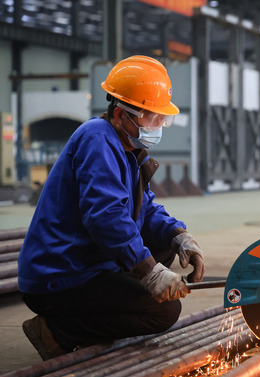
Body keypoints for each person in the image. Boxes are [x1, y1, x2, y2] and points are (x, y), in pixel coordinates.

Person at [18, 56, 205, 360]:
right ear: (121, 115)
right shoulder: (96, 141)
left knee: (164, 247)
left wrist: (178, 234)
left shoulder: (127, 148)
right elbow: (106, 218)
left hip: (87, 261)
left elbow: (144, 209)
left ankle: (99, 307)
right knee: (164, 312)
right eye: (152, 118)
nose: (159, 126)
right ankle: (56, 332)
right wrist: (149, 272)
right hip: (59, 275)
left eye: (163, 119)